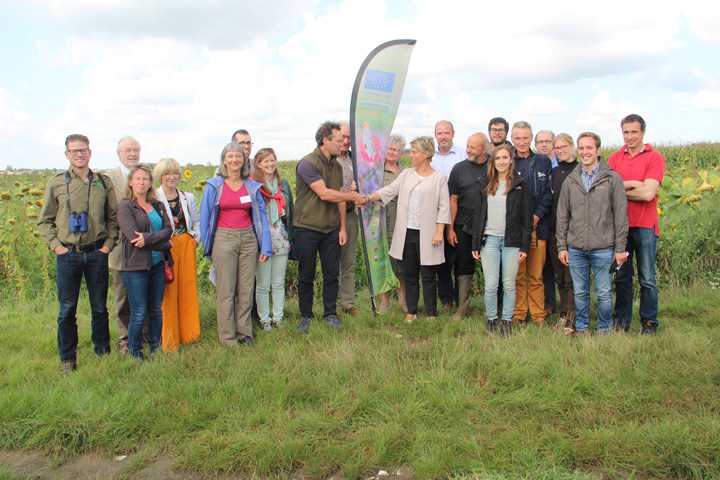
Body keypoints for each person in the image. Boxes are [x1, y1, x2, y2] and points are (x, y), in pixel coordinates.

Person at [38, 134, 118, 375]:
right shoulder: (56, 183)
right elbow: (45, 221)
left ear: (90, 152)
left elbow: (113, 218)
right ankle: (67, 358)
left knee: (99, 307)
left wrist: (107, 245)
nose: (79, 154)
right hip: (68, 254)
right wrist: (56, 246)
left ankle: (103, 352)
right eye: (74, 151)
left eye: (83, 150)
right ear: (67, 155)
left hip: (96, 253)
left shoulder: (103, 183)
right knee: (67, 309)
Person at [360, 136, 451, 323]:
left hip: (429, 234)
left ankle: (431, 313)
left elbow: (444, 207)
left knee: (428, 275)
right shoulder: (407, 174)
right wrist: (367, 198)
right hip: (407, 232)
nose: (411, 156)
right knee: (409, 273)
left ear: (426, 154)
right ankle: (412, 311)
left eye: (415, 152)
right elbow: (389, 190)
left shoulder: (439, 178)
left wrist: (440, 231)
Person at [556, 133, 628, 336]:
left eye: (589, 148)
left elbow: (621, 217)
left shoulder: (612, 179)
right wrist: (562, 246)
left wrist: (620, 248)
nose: (585, 152)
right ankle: (582, 328)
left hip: (604, 248)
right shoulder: (571, 180)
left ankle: (604, 329)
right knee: (580, 293)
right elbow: (562, 216)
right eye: (582, 148)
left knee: (604, 293)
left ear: (598, 150)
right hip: (576, 247)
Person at [200, 143, 272, 346]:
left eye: (238, 156)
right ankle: (227, 337)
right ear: (224, 160)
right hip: (224, 240)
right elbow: (205, 220)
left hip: (249, 240)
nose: (234, 160)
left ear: (243, 160)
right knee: (226, 290)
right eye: (230, 156)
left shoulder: (251, 186)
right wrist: (208, 249)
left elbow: (261, 218)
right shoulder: (214, 186)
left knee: (246, 288)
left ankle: (245, 333)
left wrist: (265, 246)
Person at [293, 121, 362, 334]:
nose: (343, 143)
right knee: (307, 274)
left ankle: (330, 315)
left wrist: (342, 227)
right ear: (326, 140)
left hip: (331, 229)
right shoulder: (307, 164)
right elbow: (324, 194)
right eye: (339, 139)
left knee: (332, 273)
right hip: (307, 228)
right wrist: (351, 196)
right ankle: (306, 317)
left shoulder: (338, 166)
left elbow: (339, 200)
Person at [608, 114, 665, 335]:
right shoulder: (615, 158)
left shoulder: (654, 157)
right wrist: (634, 184)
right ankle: (621, 322)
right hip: (620, 226)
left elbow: (649, 193)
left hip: (644, 225)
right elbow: (610, 191)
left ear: (643, 132)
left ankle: (649, 323)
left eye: (634, 132)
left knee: (647, 278)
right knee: (622, 277)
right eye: (626, 132)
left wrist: (621, 188)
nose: (629, 136)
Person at [471, 145, 532, 337]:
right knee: (490, 284)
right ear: (493, 162)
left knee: (509, 284)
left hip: (511, 241)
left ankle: (506, 322)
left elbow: (526, 218)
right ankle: (491, 320)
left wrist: (525, 246)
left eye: (505, 158)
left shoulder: (520, 185)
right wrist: (475, 243)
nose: (502, 162)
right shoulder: (484, 183)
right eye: (498, 158)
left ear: (511, 160)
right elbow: (477, 215)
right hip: (489, 240)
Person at [116, 164, 174, 360]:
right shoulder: (125, 206)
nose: (142, 182)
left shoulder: (158, 205)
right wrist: (164, 244)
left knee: (156, 310)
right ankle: (136, 352)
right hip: (136, 268)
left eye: (146, 179)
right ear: (131, 182)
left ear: (151, 183)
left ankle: (156, 349)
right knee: (139, 312)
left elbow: (169, 230)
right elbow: (134, 238)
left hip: (158, 266)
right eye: (138, 179)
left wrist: (149, 239)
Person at [154, 158, 201, 352]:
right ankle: (170, 340)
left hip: (185, 246)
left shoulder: (187, 196)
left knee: (188, 289)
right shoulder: (154, 198)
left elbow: (196, 220)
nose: (171, 177)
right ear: (160, 176)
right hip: (166, 248)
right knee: (168, 293)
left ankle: (190, 335)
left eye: (174, 173)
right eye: (167, 174)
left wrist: (195, 240)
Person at [511, 121, 553, 326]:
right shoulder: (507, 161)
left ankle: (538, 316)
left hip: (537, 226)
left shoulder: (543, 161)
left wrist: (536, 216)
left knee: (536, 276)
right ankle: (519, 314)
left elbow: (548, 193)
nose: (521, 142)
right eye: (517, 138)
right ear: (512, 139)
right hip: (515, 230)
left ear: (531, 138)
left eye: (525, 137)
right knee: (518, 276)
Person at [446, 132, 492, 320]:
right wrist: (450, 228)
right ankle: (462, 310)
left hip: (489, 226)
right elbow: (453, 200)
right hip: (463, 226)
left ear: (484, 149)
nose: (468, 150)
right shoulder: (459, 169)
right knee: (463, 267)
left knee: (493, 267)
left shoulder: (494, 167)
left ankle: (494, 310)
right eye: (467, 146)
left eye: (472, 147)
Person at [106, 136, 142, 355]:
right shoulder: (108, 178)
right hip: (120, 247)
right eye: (127, 150)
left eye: (136, 149)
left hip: (145, 246)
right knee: (123, 296)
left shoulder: (145, 175)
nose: (132, 153)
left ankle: (144, 334)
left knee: (144, 294)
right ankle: (125, 339)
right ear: (118, 153)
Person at [252, 147, 294, 331]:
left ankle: (278, 317)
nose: (270, 164)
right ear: (258, 164)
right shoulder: (253, 184)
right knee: (263, 283)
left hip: (281, 237)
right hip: (263, 239)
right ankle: (264, 320)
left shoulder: (282, 183)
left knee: (278, 282)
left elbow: (290, 209)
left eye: (272, 160)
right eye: (265, 161)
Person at [431, 120, 467, 312]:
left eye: (447, 133)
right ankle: (446, 300)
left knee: (460, 259)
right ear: (435, 135)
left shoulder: (463, 155)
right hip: (434, 215)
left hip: (458, 214)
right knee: (441, 261)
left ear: (453, 133)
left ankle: (461, 300)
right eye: (439, 133)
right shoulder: (430, 158)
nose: (443, 136)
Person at [548, 134, 578, 334]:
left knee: (572, 278)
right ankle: (563, 314)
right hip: (555, 230)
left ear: (572, 146)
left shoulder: (580, 170)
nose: (560, 151)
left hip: (574, 232)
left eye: (563, 147)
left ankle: (573, 317)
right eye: (556, 148)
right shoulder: (555, 171)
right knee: (560, 276)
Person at [378, 134, 407, 313]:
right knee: (383, 262)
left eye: (396, 150)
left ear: (401, 153)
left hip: (401, 223)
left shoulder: (406, 171)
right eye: (389, 148)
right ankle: (384, 302)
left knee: (401, 264)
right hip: (382, 222)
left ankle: (402, 302)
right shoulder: (376, 171)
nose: (392, 152)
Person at [337, 121, 359, 316]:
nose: (345, 141)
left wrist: (357, 188)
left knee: (348, 261)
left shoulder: (356, 159)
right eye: (342, 137)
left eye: (349, 138)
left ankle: (347, 303)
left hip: (351, 214)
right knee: (329, 262)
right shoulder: (327, 159)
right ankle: (328, 304)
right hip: (329, 215)